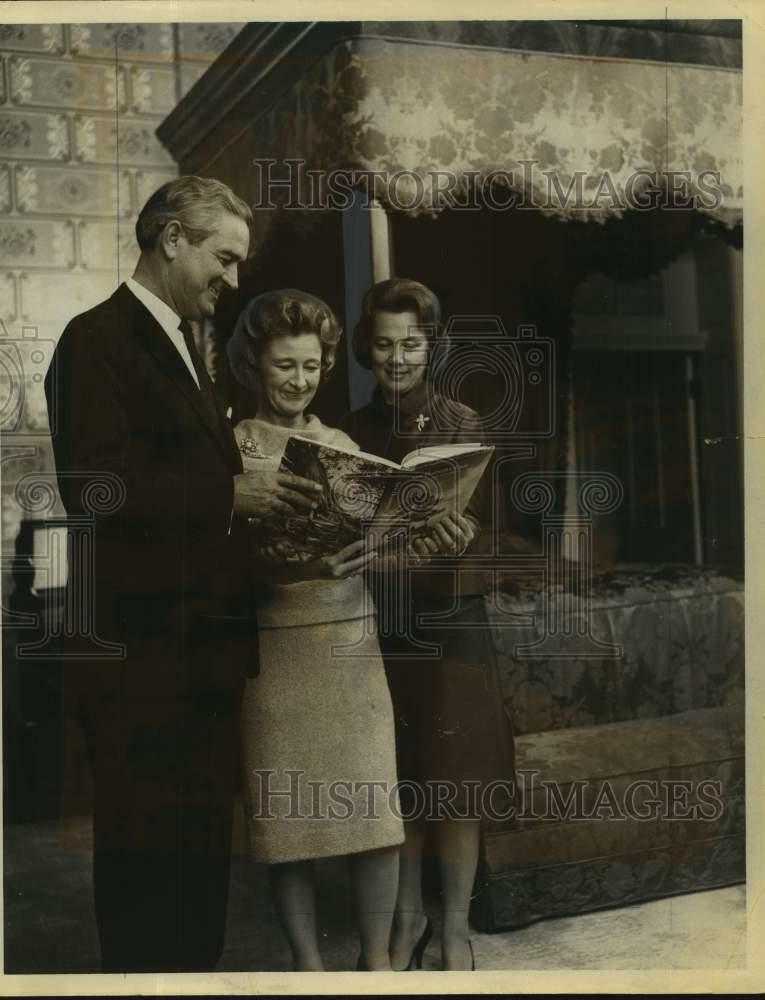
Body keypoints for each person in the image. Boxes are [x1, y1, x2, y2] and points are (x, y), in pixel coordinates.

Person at [44, 177, 321, 972]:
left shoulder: (180, 345)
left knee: (195, 871)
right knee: (144, 875)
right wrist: (228, 492)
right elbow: (91, 489)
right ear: (171, 239)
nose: (232, 281)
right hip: (142, 669)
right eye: (222, 259)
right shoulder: (94, 339)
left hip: (196, 662)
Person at [342, 277, 517, 972]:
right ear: (367, 349)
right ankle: (407, 915)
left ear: (432, 346)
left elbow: (494, 525)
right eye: (383, 344)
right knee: (400, 776)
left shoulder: (464, 425)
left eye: (410, 343)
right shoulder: (350, 430)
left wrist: (463, 533)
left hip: (451, 617)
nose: (396, 358)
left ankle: (453, 927)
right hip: (382, 619)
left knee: (457, 777)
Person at [227, 289, 404, 972]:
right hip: (275, 642)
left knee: (374, 810)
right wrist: (286, 557)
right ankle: (307, 966)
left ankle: (379, 962)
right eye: (284, 366)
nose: (298, 381)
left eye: (310, 366)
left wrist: (387, 533)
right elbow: (220, 555)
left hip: (350, 640)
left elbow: (377, 536)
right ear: (255, 365)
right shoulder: (234, 445)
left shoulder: (341, 446)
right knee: (287, 817)